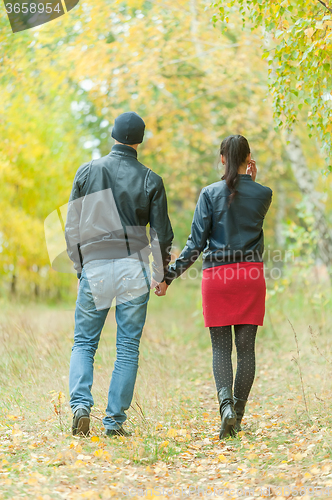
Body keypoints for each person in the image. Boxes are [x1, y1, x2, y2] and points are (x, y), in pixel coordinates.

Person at [65, 111, 173, 437]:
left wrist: (79, 264)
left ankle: (81, 406)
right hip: (133, 267)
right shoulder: (151, 179)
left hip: (95, 263)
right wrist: (161, 274)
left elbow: (72, 223)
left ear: (113, 135)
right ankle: (114, 423)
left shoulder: (89, 170)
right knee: (127, 347)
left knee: (84, 342)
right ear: (139, 141)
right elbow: (161, 235)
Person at [159, 135, 272, 438]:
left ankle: (224, 407)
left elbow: (195, 245)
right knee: (246, 351)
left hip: (217, 278)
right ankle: (237, 413)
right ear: (249, 158)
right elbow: (250, 203)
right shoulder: (264, 193)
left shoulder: (209, 194)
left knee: (221, 349)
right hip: (250, 276)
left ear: (222, 159)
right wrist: (253, 180)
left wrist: (169, 276)